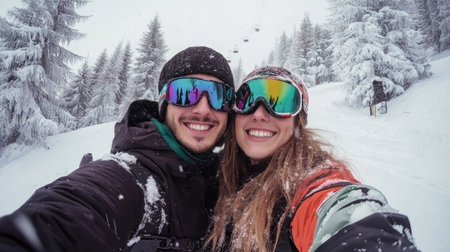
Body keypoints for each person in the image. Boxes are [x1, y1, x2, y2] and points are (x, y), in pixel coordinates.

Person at [0, 46, 234, 252]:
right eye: (185, 93)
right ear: (164, 103)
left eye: (218, 96)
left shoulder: (229, 182)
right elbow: (71, 211)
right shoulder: (129, 177)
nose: (203, 109)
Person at [205, 66, 420, 252]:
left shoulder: (312, 181)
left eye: (280, 102)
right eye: (247, 99)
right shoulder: (215, 175)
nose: (260, 113)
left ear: (299, 122)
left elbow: (342, 211)